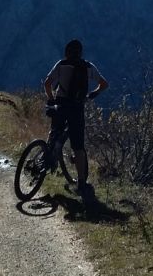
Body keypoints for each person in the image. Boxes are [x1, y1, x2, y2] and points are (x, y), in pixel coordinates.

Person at [43, 38, 108, 195]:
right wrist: (92, 94)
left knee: (54, 131)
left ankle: (46, 158)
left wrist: (51, 99)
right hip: (76, 108)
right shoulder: (88, 66)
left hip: (60, 104)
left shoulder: (61, 64)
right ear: (80, 53)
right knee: (78, 146)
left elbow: (47, 83)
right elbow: (104, 84)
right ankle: (81, 182)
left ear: (66, 52)